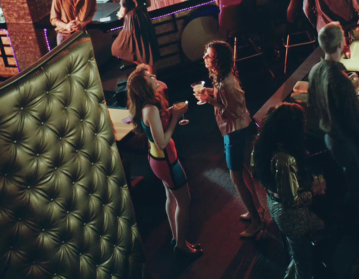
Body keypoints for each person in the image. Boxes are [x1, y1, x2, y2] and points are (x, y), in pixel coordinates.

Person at [307, 22, 359, 250]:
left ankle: (352, 229)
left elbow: (313, 104)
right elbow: (354, 122)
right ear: (341, 44)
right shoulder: (341, 80)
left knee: (349, 183)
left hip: (329, 140)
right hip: (349, 144)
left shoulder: (314, 71)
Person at [126, 67, 201, 257]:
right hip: (166, 161)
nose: (153, 77)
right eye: (149, 77)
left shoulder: (146, 106)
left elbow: (155, 128)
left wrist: (171, 110)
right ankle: (182, 246)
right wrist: (175, 117)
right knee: (184, 201)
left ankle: (177, 239)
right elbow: (162, 141)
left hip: (157, 159)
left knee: (171, 197)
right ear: (144, 87)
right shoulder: (150, 109)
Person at [195, 41, 265, 239]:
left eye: (209, 55)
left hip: (235, 132)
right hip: (234, 131)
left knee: (235, 178)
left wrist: (210, 101)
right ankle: (257, 208)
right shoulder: (222, 78)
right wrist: (210, 92)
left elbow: (231, 112)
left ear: (218, 60)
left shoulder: (226, 84)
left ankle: (257, 222)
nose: (205, 57)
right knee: (242, 170)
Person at [253, 103, 325, 279]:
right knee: (304, 262)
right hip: (292, 216)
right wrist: (314, 191)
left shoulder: (261, 144)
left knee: (296, 249)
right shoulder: (285, 159)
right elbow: (291, 201)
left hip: (273, 205)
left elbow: (256, 173)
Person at [112, 0, 159, 67]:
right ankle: (149, 73)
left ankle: (145, 70)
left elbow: (123, 10)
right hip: (144, 17)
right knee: (147, 52)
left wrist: (120, 13)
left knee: (117, 48)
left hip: (133, 20)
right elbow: (148, 3)